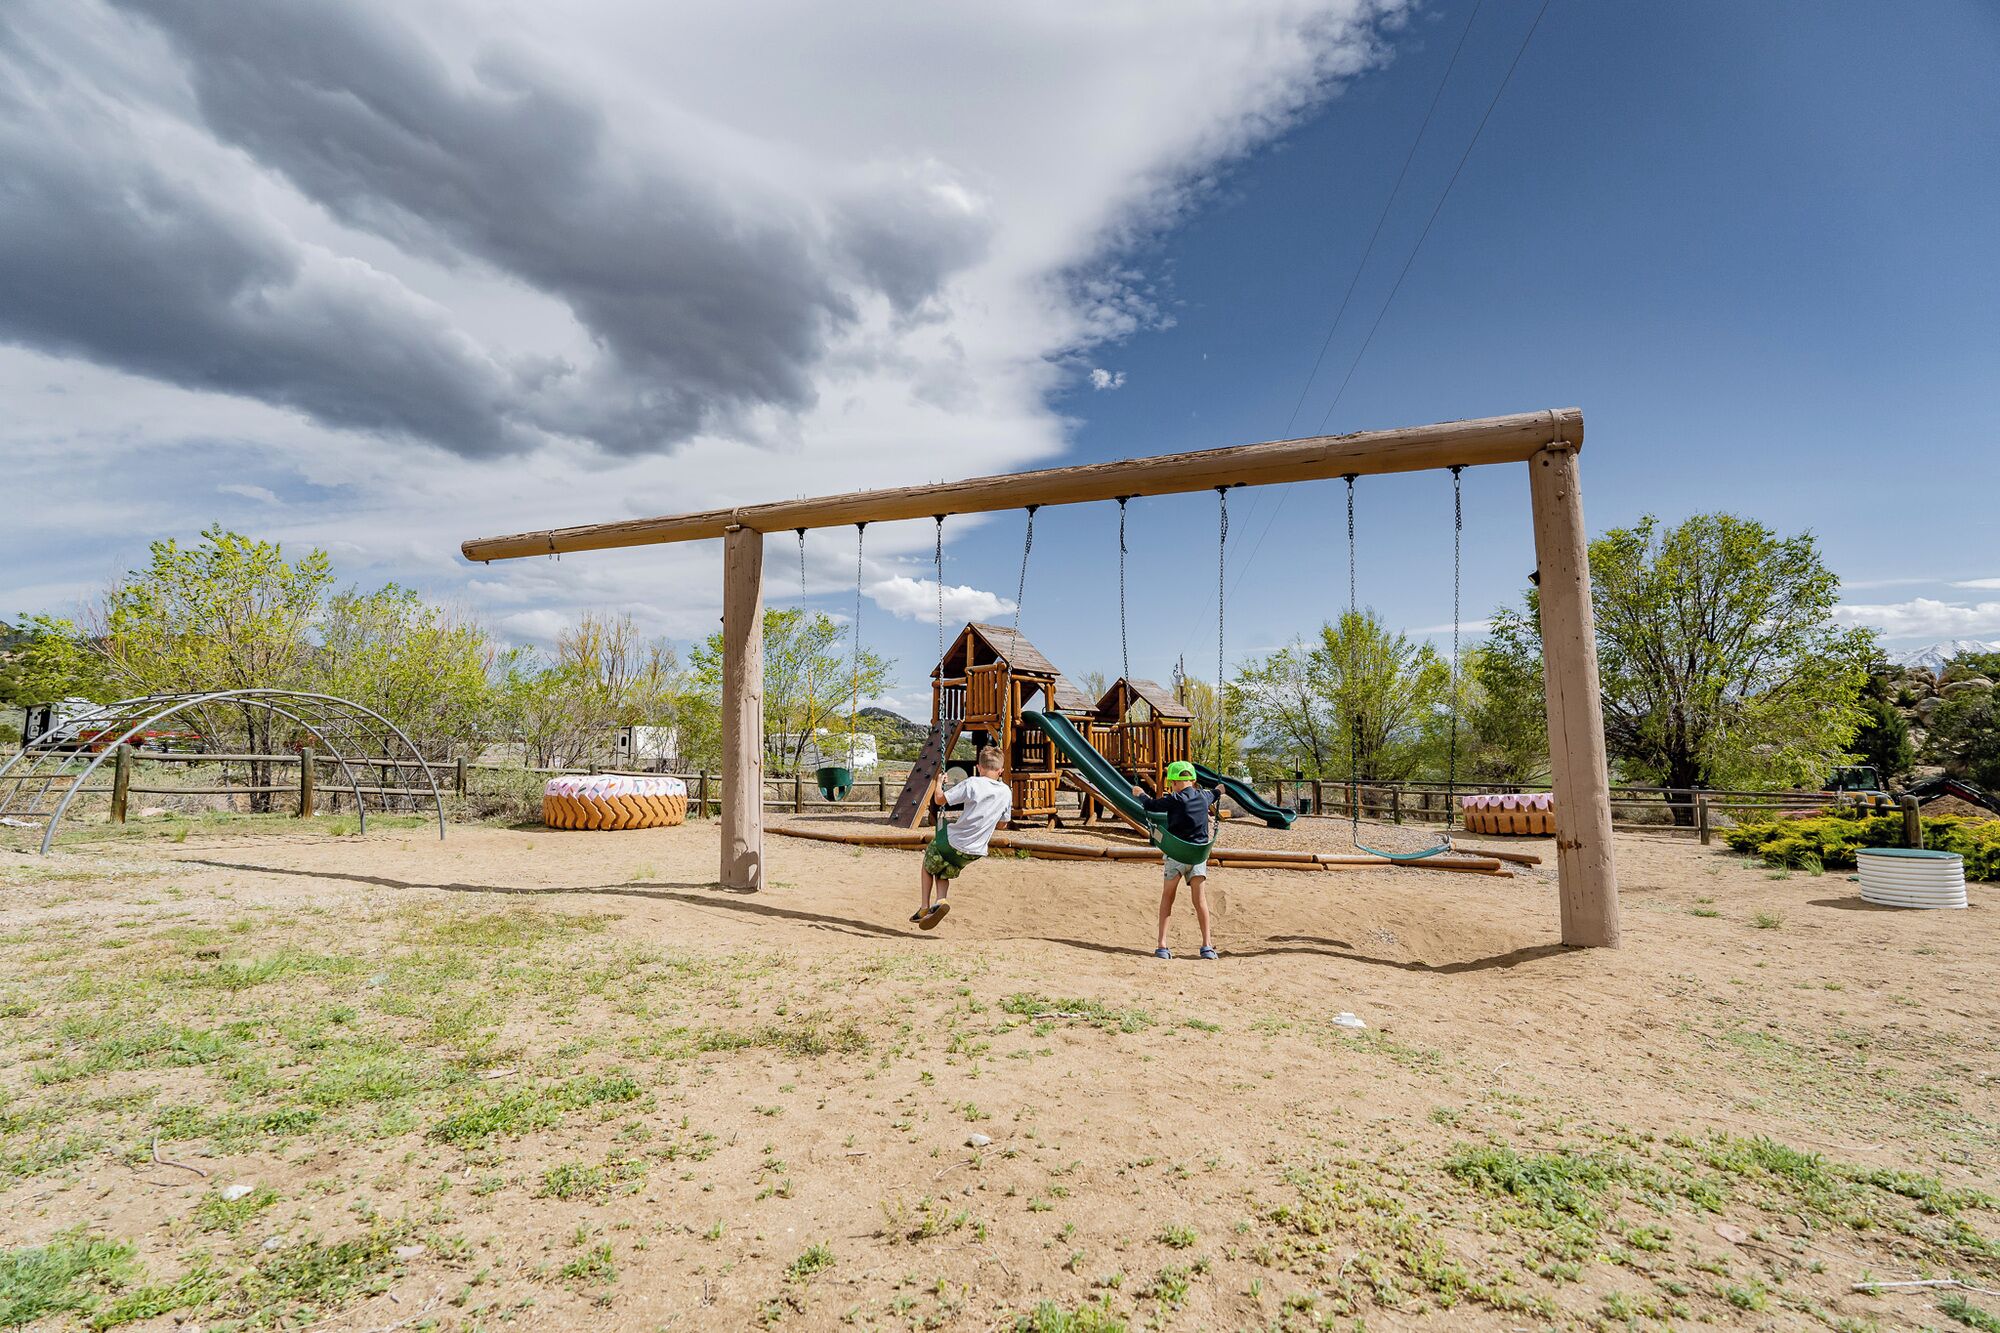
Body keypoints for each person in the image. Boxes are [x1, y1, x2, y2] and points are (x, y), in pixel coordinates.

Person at [914, 745, 1012, 930]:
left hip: (953, 842)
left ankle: (924, 907)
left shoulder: (973, 783)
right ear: (1001, 771)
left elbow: (940, 800)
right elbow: (1002, 825)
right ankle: (940, 900)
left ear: (979, 767)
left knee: (929, 862)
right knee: (944, 868)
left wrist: (938, 783)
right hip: (975, 851)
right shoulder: (1006, 791)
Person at [1134, 760, 1219, 960]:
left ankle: (1162, 946)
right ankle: (1207, 946)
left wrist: (1140, 794)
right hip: (1198, 856)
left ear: (1172, 782)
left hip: (1177, 855)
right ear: (1194, 780)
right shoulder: (1205, 797)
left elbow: (1151, 805)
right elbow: (1217, 792)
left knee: (1167, 898)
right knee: (1200, 901)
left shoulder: (1174, 799)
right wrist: (1220, 789)